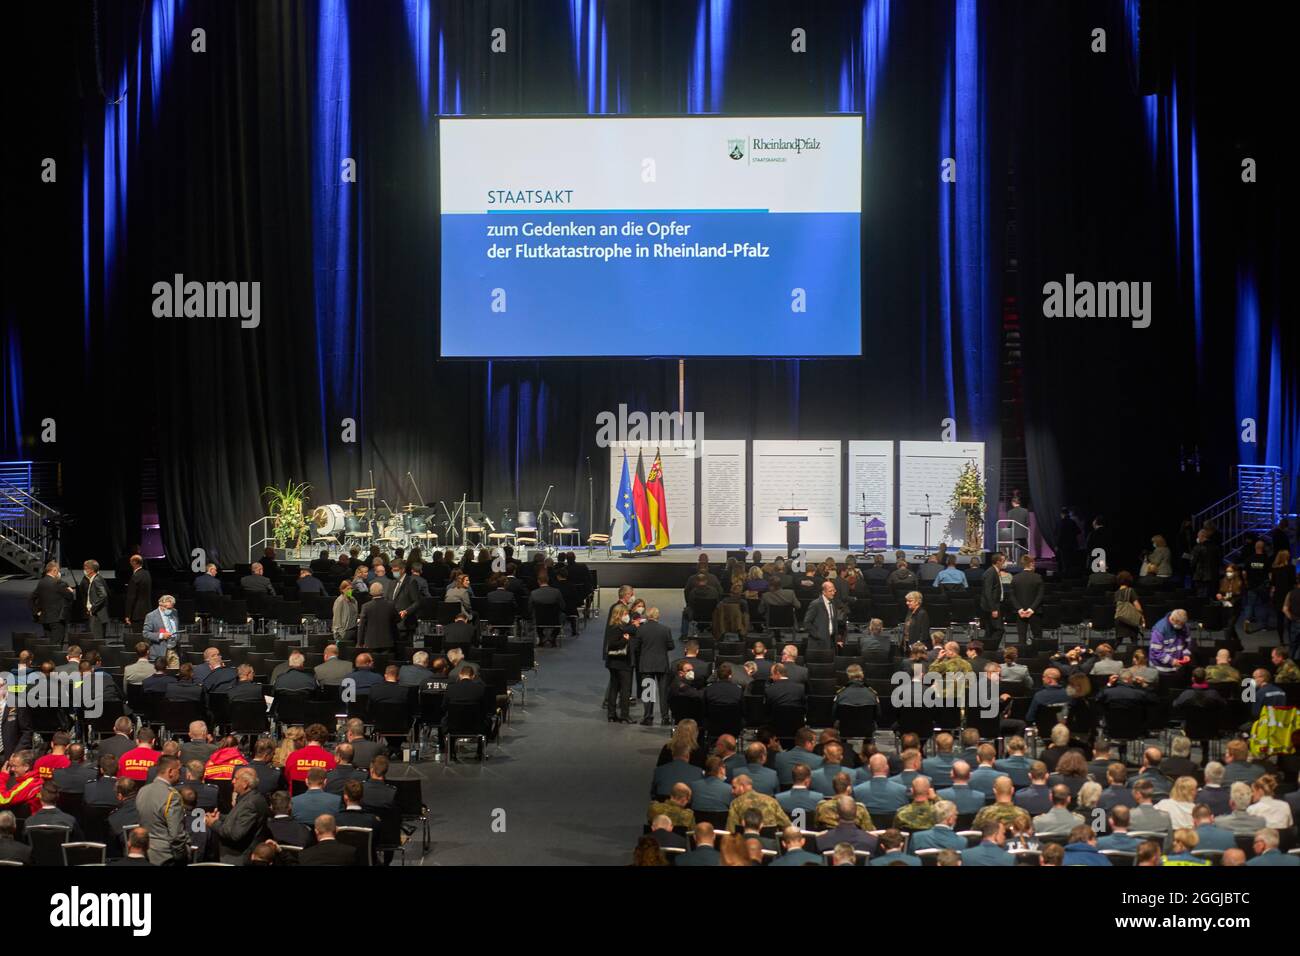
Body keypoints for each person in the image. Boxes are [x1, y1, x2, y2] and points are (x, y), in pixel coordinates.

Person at [204, 766, 269, 864]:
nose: (232, 781)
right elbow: (237, 819)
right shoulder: (248, 798)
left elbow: (235, 834)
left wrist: (214, 824)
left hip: (238, 858)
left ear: (245, 784)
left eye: (236, 778)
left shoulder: (250, 804)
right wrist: (220, 817)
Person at [135, 755, 190, 865]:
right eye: (178, 771)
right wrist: (181, 856)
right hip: (166, 856)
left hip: (146, 852)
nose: (180, 774)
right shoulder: (172, 795)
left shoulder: (142, 790)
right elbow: (176, 835)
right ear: (170, 771)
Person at [631, 607, 675, 726]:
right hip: (662, 664)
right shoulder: (665, 629)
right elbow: (671, 646)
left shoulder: (641, 630)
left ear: (647, 616)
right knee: (663, 692)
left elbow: (636, 647)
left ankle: (648, 717)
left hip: (647, 664)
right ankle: (665, 717)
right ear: (657, 616)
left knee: (648, 692)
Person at [603, 602, 634, 723]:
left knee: (614, 688)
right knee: (625, 690)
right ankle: (625, 715)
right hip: (622, 662)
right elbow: (613, 644)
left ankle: (611, 714)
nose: (627, 616)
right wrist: (625, 640)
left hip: (612, 663)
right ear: (619, 614)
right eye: (625, 613)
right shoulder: (618, 628)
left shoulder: (612, 627)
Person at [30, 560, 73, 645]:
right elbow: (70, 597)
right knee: (56, 645)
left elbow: (31, 599)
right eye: (58, 571)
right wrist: (70, 591)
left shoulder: (41, 582)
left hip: (45, 619)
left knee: (49, 644)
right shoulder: (57, 583)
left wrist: (37, 612)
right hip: (57, 620)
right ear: (54, 570)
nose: (59, 573)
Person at [1010, 554, 1045, 651]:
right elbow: (1040, 596)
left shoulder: (1015, 578)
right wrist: (1031, 609)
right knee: (1037, 636)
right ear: (1031, 563)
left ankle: (1022, 656)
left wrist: (1020, 609)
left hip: (1020, 613)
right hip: (1035, 612)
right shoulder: (1038, 577)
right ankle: (1038, 657)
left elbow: (1012, 596)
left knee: (1021, 637)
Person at [981, 553, 1010, 647]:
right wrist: (993, 608)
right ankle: (991, 647)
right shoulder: (990, 572)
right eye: (1003, 561)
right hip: (992, 606)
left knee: (990, 630)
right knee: (999, 629)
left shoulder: (995, 571)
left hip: (995, 605)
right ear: (998, 562)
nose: (1005, 563)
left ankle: (987, 650)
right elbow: (987, 592)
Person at [332, 580, 358, 646]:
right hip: (344, 632)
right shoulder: (339, 601)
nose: (350, 591)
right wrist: (338, 633)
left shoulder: (353, 600)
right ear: (342, 590)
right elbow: (336, 619)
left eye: (351, 589)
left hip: (353, 630)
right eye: (348, 589)